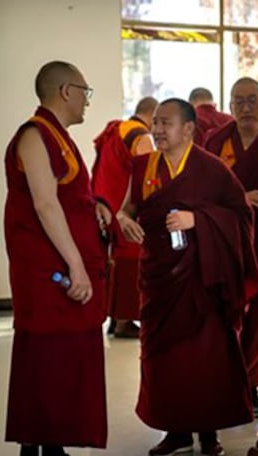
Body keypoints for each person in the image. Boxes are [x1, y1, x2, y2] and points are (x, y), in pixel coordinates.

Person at [118, 98, 258, 456]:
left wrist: (199, 220)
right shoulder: (143, 166)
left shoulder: (211, 169)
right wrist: (123, 219)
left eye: (166, 123)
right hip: (160, 279)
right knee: (164, 358)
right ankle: (176, 430)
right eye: (156, 123)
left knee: (206, 357)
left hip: (203, 278)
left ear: (188, 130)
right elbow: (128, 208)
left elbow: (240, 215)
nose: (157, 130)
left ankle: (208, 431)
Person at [3, 60, 111, 456]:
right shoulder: (33, 135)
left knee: (71, 362)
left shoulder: (60, 138)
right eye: (85, 90)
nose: (88, 98)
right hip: (48, 274)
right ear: (66, 90)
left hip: (69, 270)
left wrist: (98, 205)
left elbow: (70, 197)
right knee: (43, 362)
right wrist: (76, 266)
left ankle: (55, 452)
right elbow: (46, 205)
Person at [204, 77, 258, 417]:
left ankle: (250, 384)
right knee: (224, 318)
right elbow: (202, 192)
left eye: (253, 100)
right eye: (238, 101)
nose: (246, 108)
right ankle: (223, 383)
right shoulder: (214, 143)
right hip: (224, 247)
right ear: (229, 107)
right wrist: (241, 200)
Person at [92, 96, 157, 338]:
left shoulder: (117, 129)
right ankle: (123, 321)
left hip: (106, 203)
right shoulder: (139, 134)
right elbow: (146, 170)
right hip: (126, 207)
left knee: (116, 261)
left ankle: (115, 317)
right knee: (131, 260)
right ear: (151, 115)